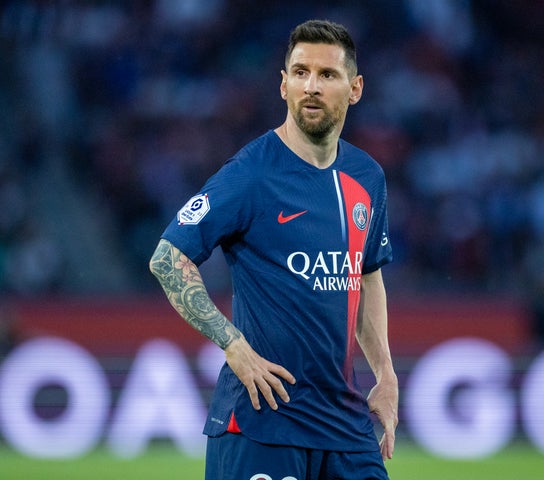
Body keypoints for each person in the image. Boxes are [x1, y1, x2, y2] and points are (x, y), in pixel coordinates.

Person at [149, 19, 398, 480]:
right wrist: (232, 344)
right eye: (300, 72)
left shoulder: (367, 178)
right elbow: (167, 257)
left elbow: (366, 275)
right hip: (263, 420)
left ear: (355, 88)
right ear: (283, 85)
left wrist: (385, 375)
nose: (311, 86)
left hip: (345, 425)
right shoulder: (250, 174)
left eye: (327, 75)